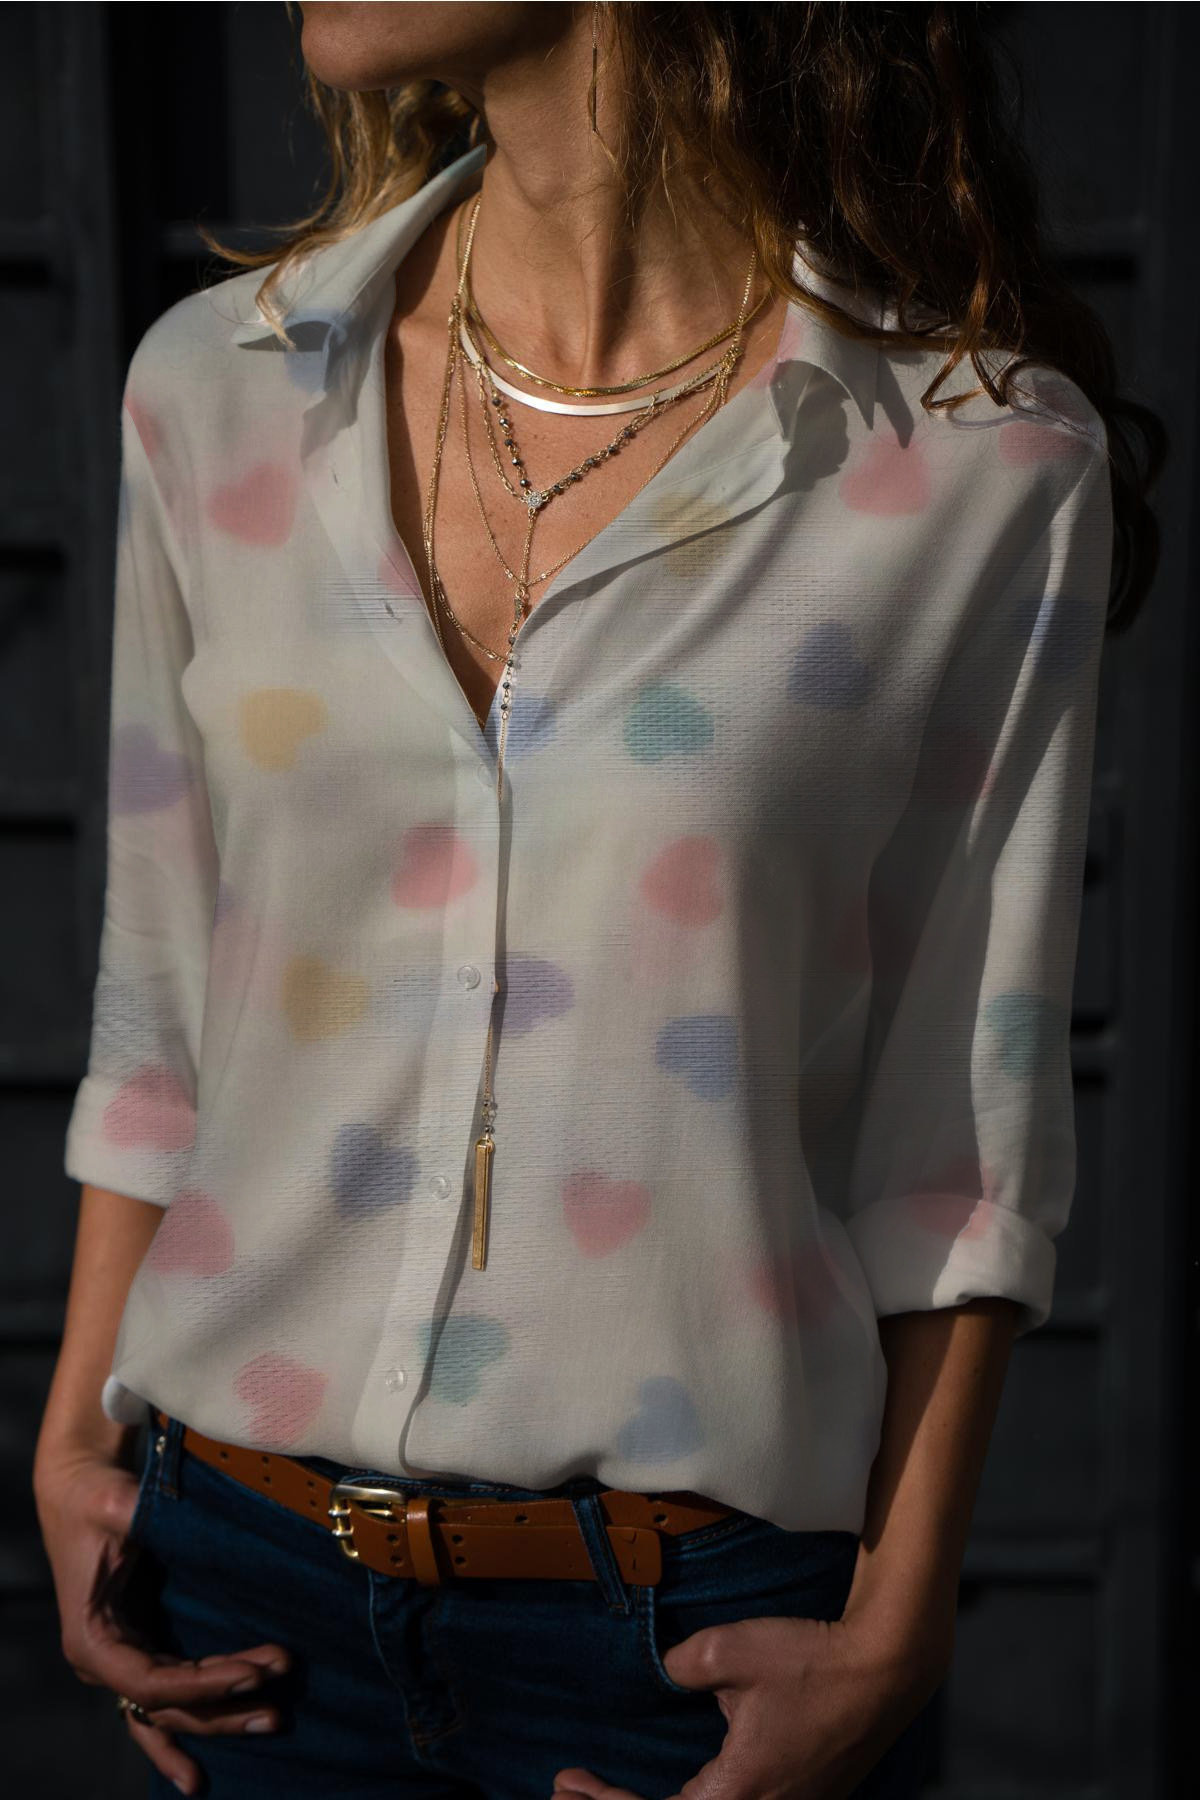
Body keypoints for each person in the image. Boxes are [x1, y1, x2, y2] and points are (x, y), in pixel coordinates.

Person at [33, 5, 1164, 1799]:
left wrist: (897, 1626)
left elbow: (965, 1121)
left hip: (680, 1654)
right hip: (242, 1590)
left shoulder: (973, 461)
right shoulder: (219, 387)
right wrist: (72, 1433)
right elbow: (163, 984)